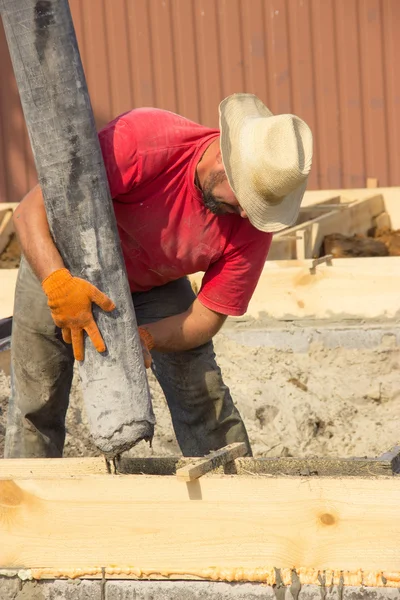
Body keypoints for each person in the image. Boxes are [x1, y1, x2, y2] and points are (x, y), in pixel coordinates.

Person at [4, 93, 312, 459]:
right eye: (246, 197)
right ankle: (24, 500)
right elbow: (28, 211)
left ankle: (234, 494)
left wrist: (145, 338)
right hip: (61, 260)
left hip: (153, 282)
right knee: (38, 395)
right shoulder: (144, 141)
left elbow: (207, 317)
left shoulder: (253, 224)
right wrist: (56, 281)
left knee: (201, 388)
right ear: (222, 158)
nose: (247, 213)